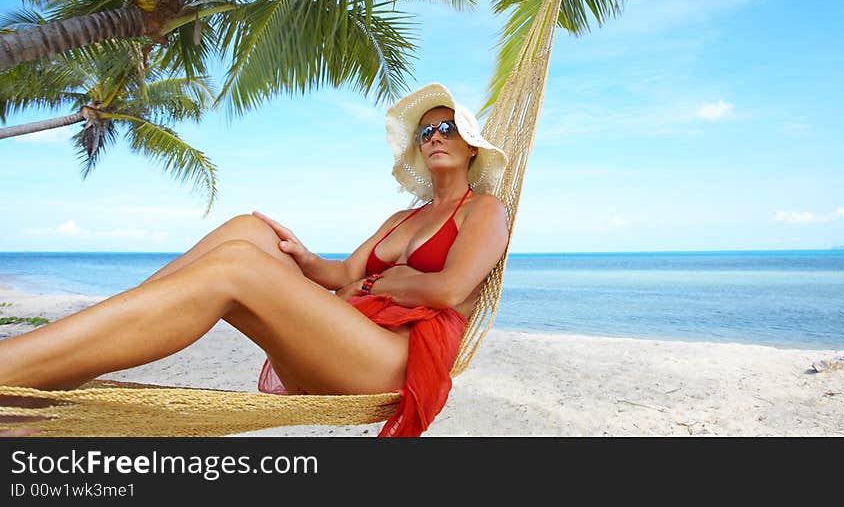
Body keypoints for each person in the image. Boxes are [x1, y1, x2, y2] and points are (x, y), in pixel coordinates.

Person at [0, 83, 510, 437]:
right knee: (250, 231)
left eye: (447, 129)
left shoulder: (484, 211)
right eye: (426, 133)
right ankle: (49, 372)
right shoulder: (403, 216)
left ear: (471, 147)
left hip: (391, 365)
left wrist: (386, 284)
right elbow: (343, 277)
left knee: (237, 266)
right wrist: (303, 256)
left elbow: (448, 290)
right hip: (345, 338)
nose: (436, 137)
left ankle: (11, 367)